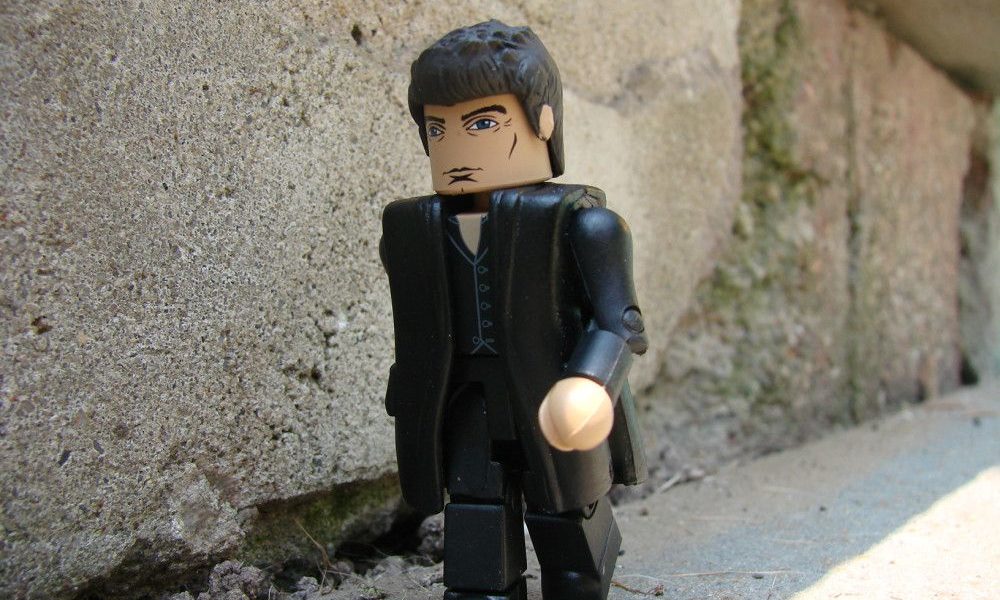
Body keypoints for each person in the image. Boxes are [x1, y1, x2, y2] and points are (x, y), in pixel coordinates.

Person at [379, 20, 648, 600]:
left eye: (482, 124)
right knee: (475, 514)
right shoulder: (414, 229)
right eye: (438, 129)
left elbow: (620, 322)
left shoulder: (583, 223)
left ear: (542, 122)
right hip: (464, 398)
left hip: (549, 388)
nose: (457, 149)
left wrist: (589, 383)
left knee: (564, 516)